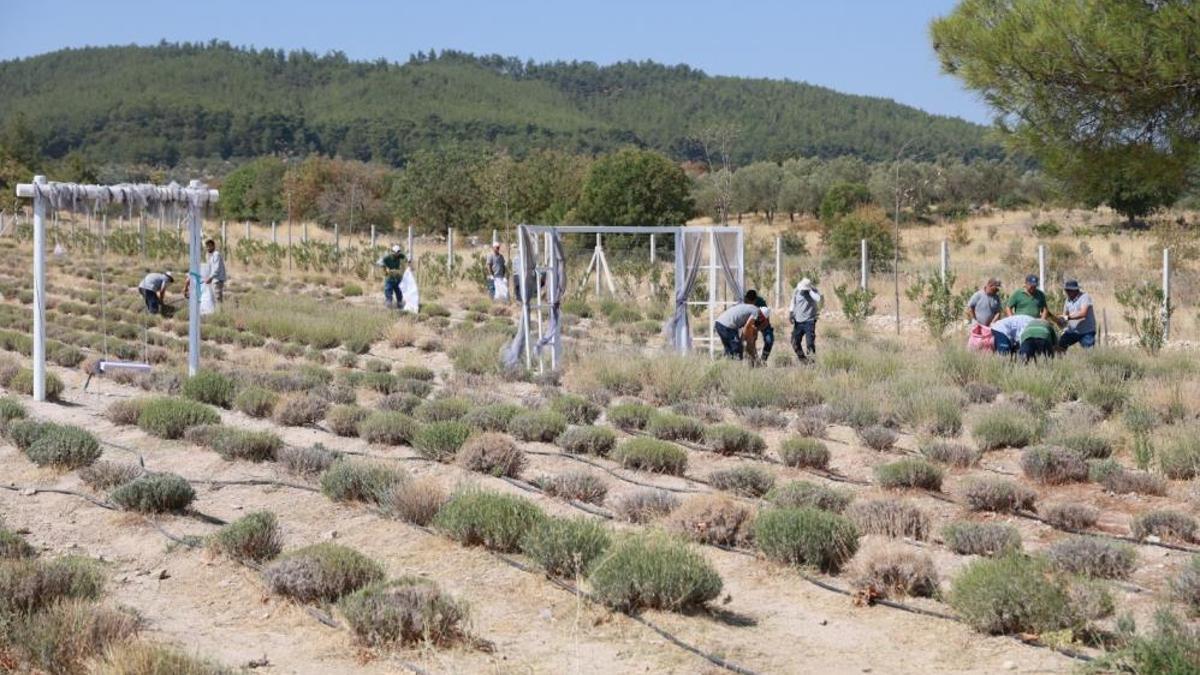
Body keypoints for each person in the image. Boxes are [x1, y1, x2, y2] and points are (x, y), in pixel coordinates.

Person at [788, 277, 822, 362]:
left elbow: (818, 299)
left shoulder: (813, 291)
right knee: (794, 341)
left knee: (810, 343)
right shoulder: (796, 290)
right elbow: (793, 302)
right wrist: (791, 313)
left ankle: (812, 362)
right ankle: (803, 360)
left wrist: (810, 290)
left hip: (809, 321)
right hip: (798, 321)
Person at [1058, 279, 1096, 350]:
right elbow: (1065, 316)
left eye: (1069, 290)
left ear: (1076, 290)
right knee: (1060, 345)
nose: (1067, 292)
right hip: (1072, 331)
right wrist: (1059, 320)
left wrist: (1067, 317)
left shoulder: (1085, 297)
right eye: (1066, 290)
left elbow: (1083, 313)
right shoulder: (1067, 301)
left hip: (1086, 332)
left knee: (1089, 352)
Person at [748, 289, 774, 362]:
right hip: (750, 322)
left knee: (769, 340)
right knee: (751, 341)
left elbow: (766, 319)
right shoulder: (745, 303)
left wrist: (759, 327)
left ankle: (763, 360)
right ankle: (753, 360)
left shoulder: (761, 302)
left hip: (762, 321)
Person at [377, 244, 405, 309]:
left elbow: (406, 257)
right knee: (388, 289)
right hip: (389, 277)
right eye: (396, 252)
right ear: (393, 252)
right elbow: (379, 262)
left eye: (398, 252)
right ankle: (389, 302)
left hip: (397, 277)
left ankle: (399, 302)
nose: (397, 254)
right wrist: (386, 268)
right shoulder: (387, 257)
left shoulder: (399, 256)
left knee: (398, 290)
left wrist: (408, 260)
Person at [203, 239, 227, 304]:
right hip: (213, 280)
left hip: (217, 280)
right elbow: (209, 268)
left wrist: (210, 278)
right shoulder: (210, 255)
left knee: (218, 298)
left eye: (209, 246)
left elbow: (216, 269)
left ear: (213, 246)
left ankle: (220, 310)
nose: (208, 248)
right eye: (207, 246)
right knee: (214, 299)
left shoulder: (216, 254)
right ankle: (218, 310)